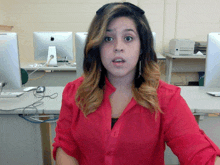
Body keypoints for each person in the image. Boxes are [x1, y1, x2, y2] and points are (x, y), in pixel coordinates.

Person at [53, 2, 220, 165]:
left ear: (142, 46)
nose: (118, 47)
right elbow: (66, 148)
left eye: (128, 38)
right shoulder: (75, 92)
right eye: (108, 38)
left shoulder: (166, 98)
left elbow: (197, 151)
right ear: (97, 46)